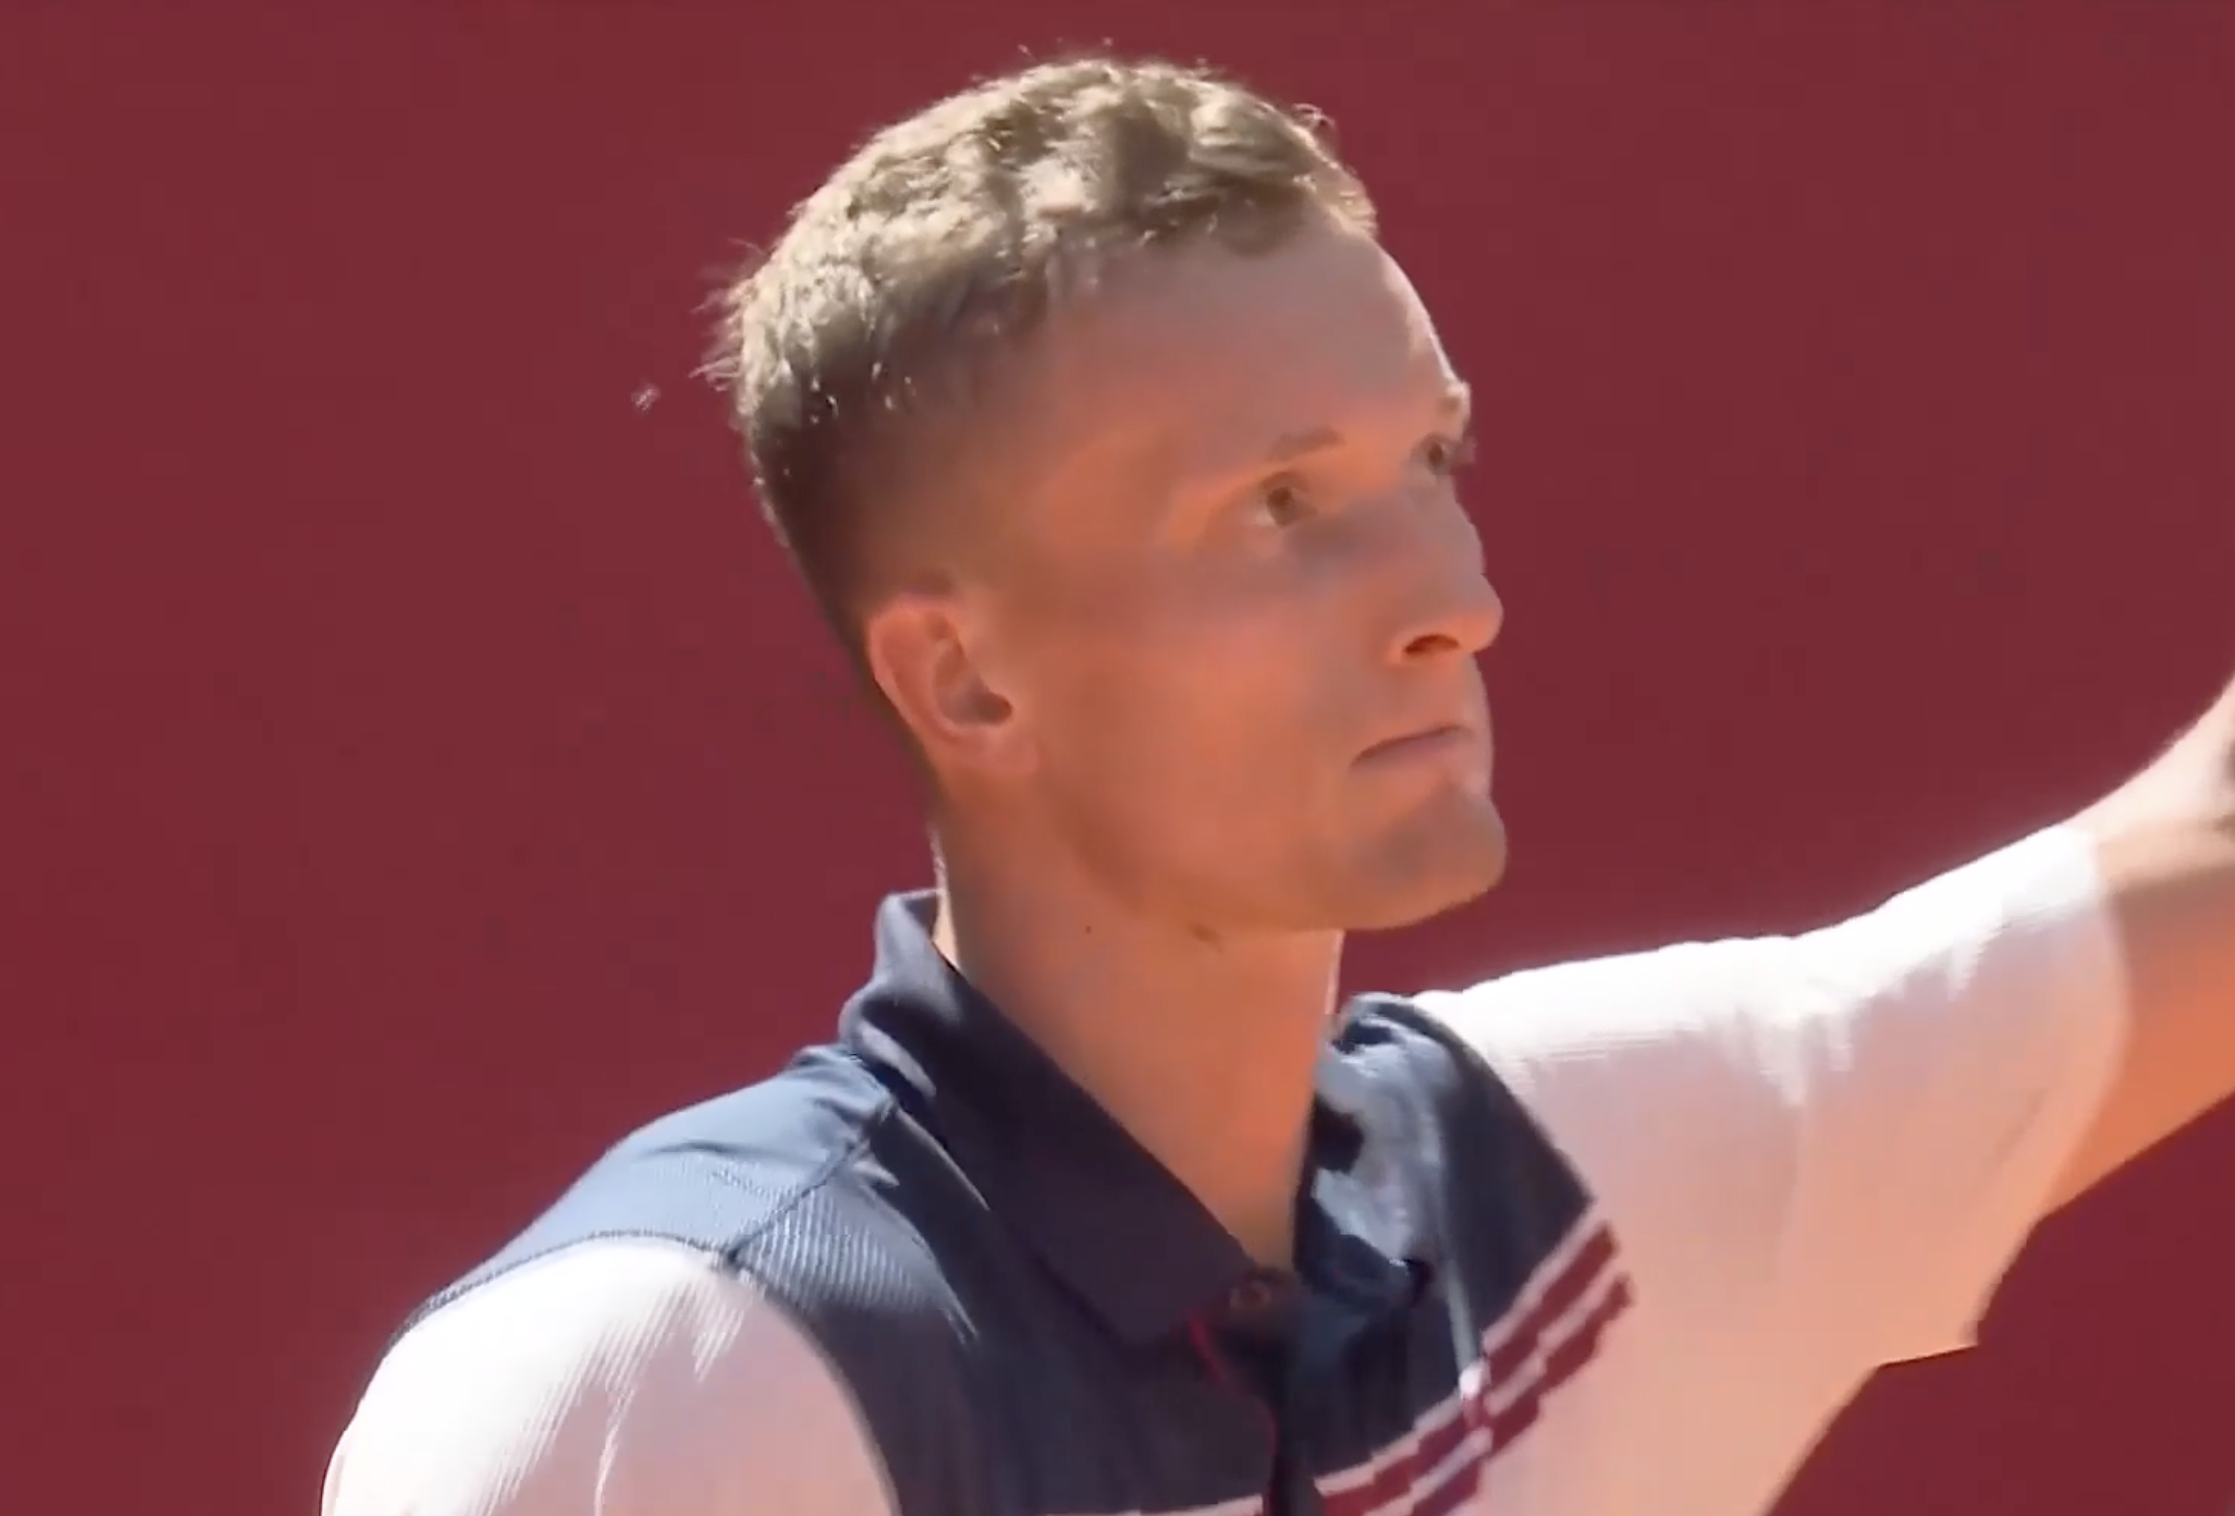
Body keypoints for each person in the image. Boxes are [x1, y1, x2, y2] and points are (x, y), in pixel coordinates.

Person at [320, 55, 2235, 1516]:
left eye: (1434, 462)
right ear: (966, 679)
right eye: (1282, 505)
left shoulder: (1584, 1188)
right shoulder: (661, 1379)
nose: (1455, 600)